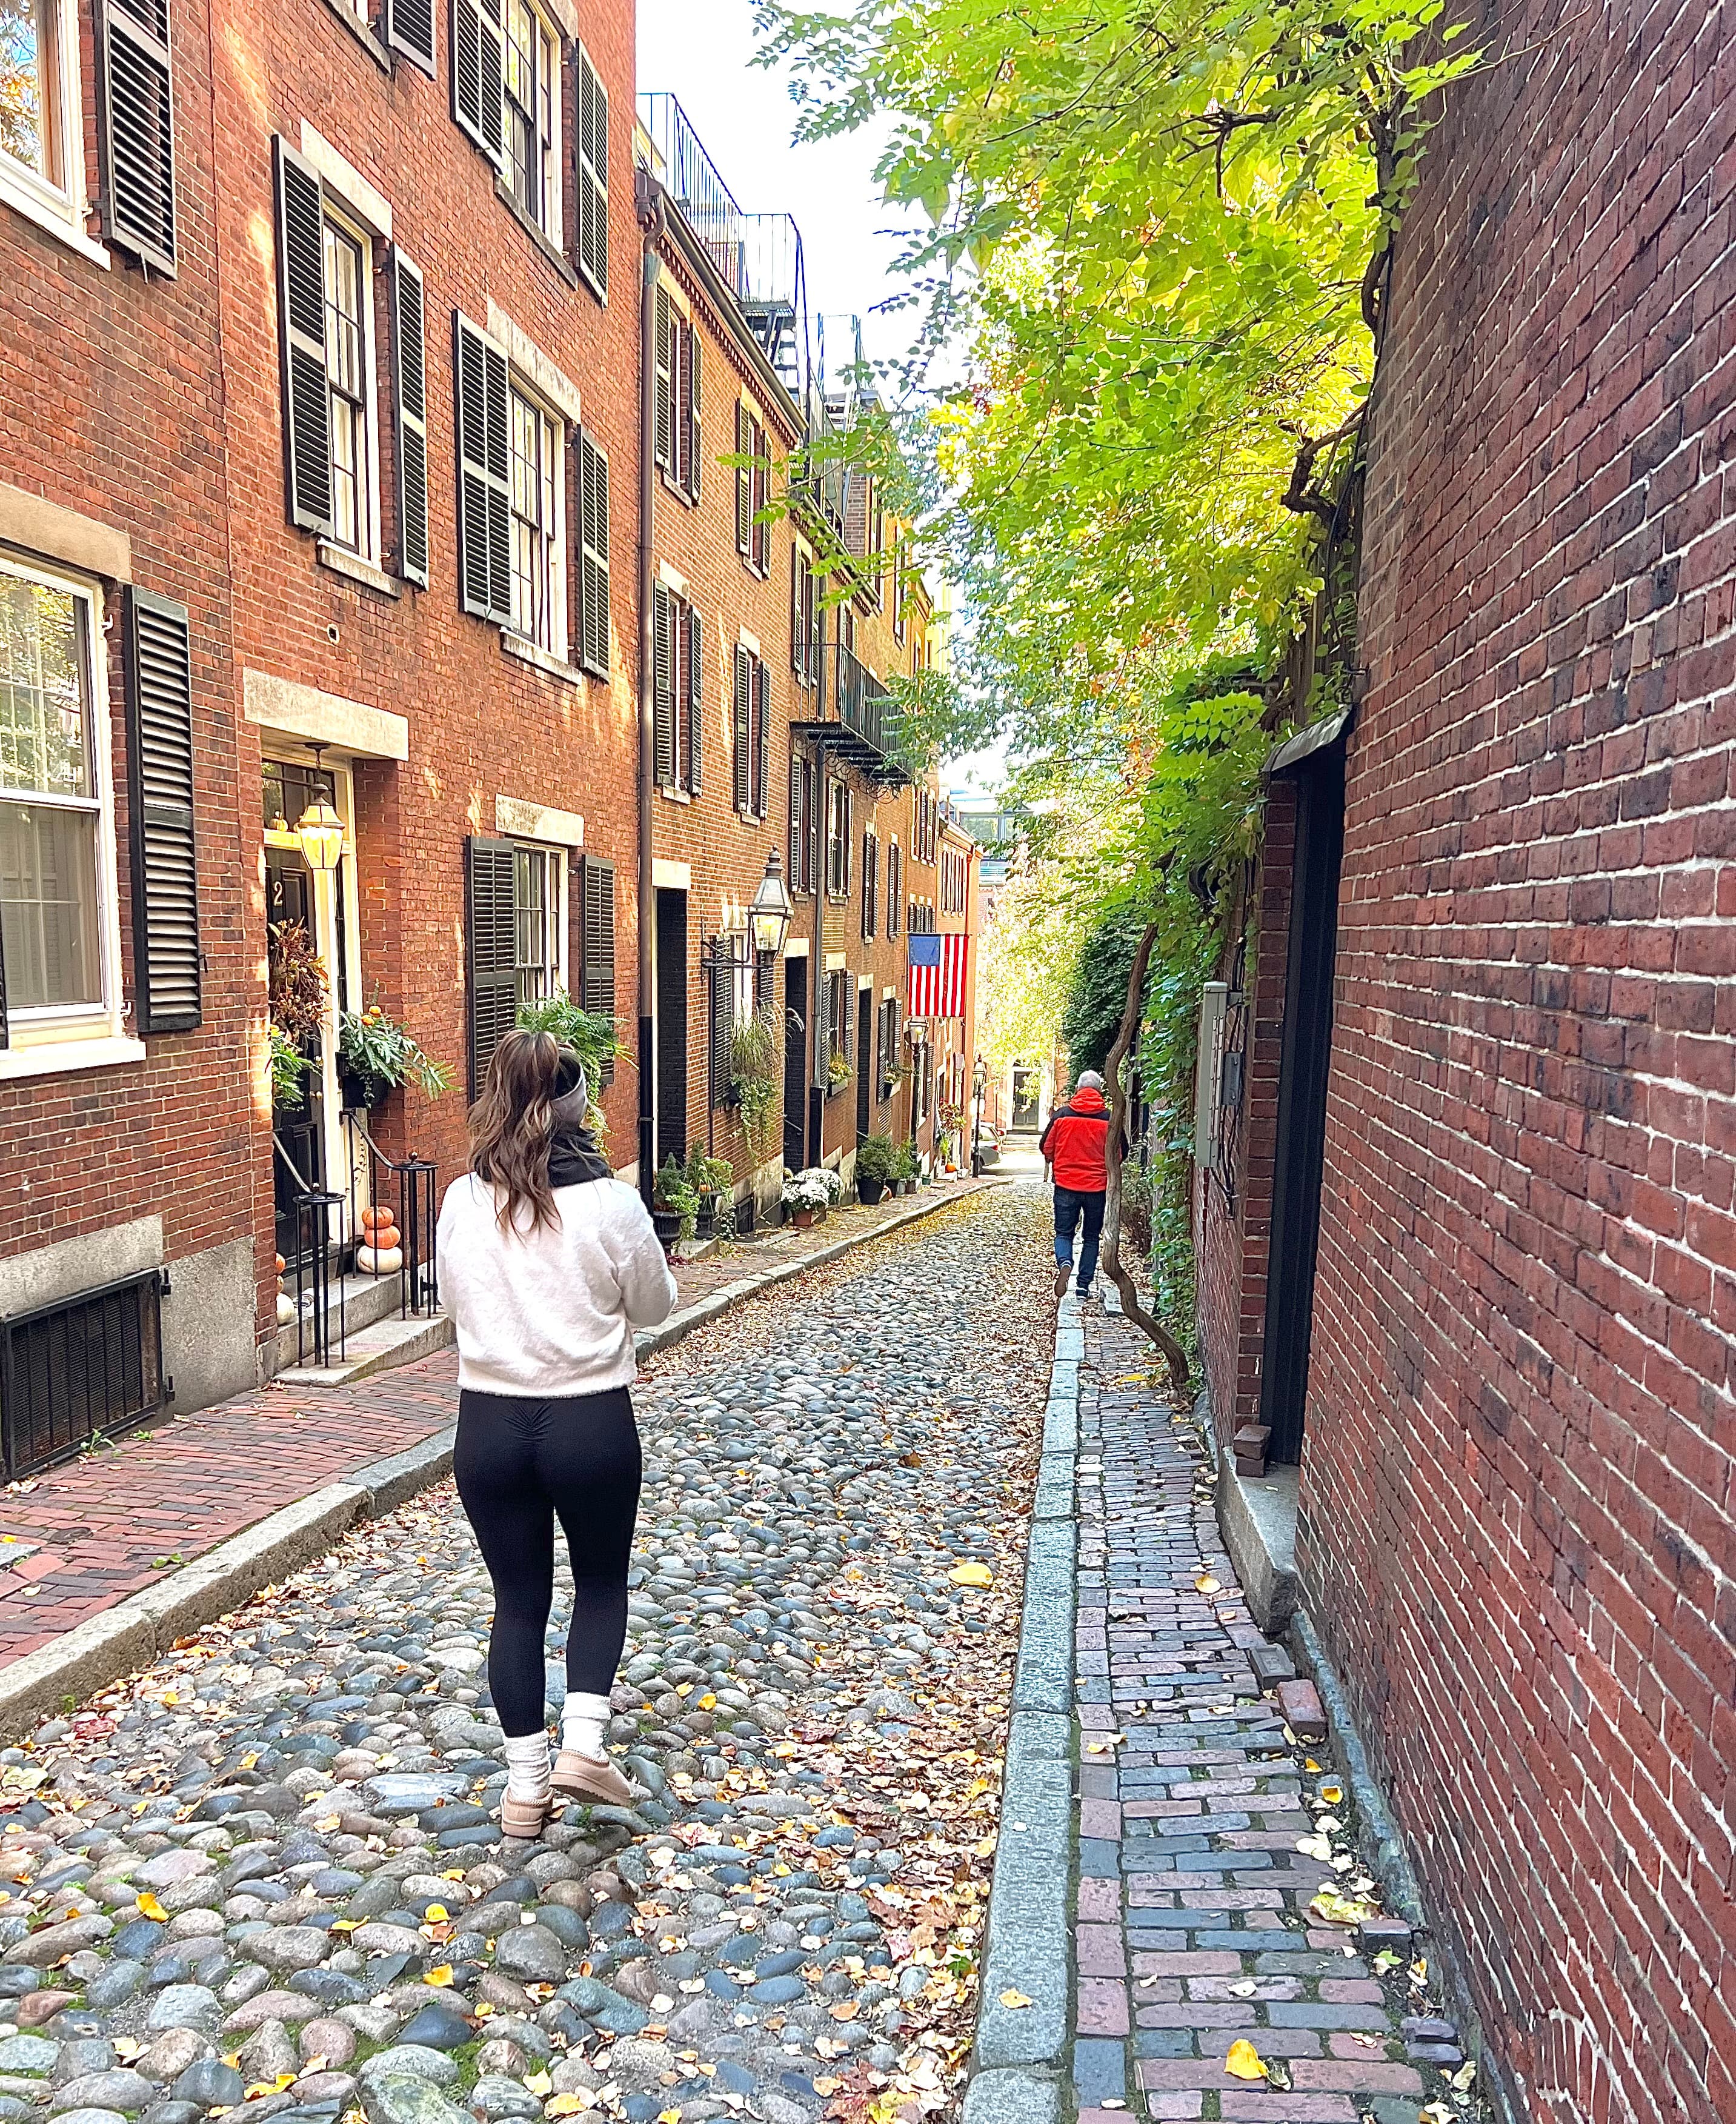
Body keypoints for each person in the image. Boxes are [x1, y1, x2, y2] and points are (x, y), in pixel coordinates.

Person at [437, 1028, 677, 1839]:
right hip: (589, 1420)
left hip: (489, 1423)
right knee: (600, 1583)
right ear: (579, 1109)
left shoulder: (462, 1200)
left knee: (517, 1601)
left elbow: (454, 1307)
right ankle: (583, 1742)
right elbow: (654, 1306)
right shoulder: (608, 1203)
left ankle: (522, 1791)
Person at [1040, 1067, 1120, 1302]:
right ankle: (1083, 1286)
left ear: (1077, 1089)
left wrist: (1062, 1161)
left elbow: (1046, 1148)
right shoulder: (1109, 1120)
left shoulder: (1062, 1116)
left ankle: (1065, 1261)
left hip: (1066, 1185)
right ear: (1100, 1091)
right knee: (1092, 1237)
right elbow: (1120, 1153)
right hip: (1097, 1188)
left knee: (1064, 1233)